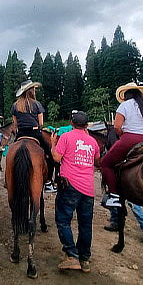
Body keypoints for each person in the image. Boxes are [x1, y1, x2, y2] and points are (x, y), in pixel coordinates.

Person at [51, 111, 100, 272]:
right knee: (85, 224)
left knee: (63, 220)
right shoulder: (93, 142)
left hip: (69, 186)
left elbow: (57, 158)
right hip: (88, 189)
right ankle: (84, 259)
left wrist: (52, 144)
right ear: (86, 125)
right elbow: (97, 160)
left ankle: (72, 255)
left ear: (71, 123)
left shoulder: (66, 137)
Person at [101, 82, 143, 208]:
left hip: (131, 138)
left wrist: (123, 135)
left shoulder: (124, 106)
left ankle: (114, 196)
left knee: (106, 163)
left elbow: (117, 127)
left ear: (126, 95)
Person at [11, 80, 57, 193]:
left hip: (21, 133)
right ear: (30, 91)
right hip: (35, 133)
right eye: (34, 89)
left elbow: (15, 123)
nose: (35, 90)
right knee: (50, 155)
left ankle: (9, 181)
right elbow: (41, 123)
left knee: (11, 154)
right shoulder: (37, 104)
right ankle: (48, 182)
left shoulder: (15, 105)